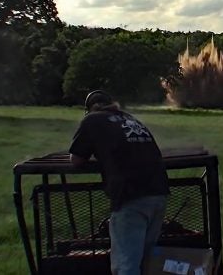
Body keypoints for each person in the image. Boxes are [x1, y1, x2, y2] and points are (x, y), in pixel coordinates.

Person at [69, 90, 169, 275]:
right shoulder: (130, 118)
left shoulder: (92, 120)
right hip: (159, 193)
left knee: (126, 266)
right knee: (147, 263)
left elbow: (76, 159)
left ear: (89, 109)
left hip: (131, 196)